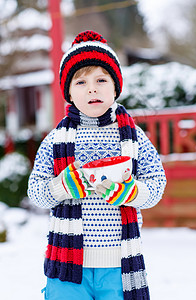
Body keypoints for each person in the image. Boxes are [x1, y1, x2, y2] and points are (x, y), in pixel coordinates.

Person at [28, 30, 166, 300]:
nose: (92, 88)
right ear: (68, 91)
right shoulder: (55, 139)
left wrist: (131, 192)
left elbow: (156, 184)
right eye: (80, 82)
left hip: (118, 265)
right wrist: (61, 186)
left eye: (101, 79)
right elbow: (36, 192)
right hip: (67, 267)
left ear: (115, 87)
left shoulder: (134, 137)